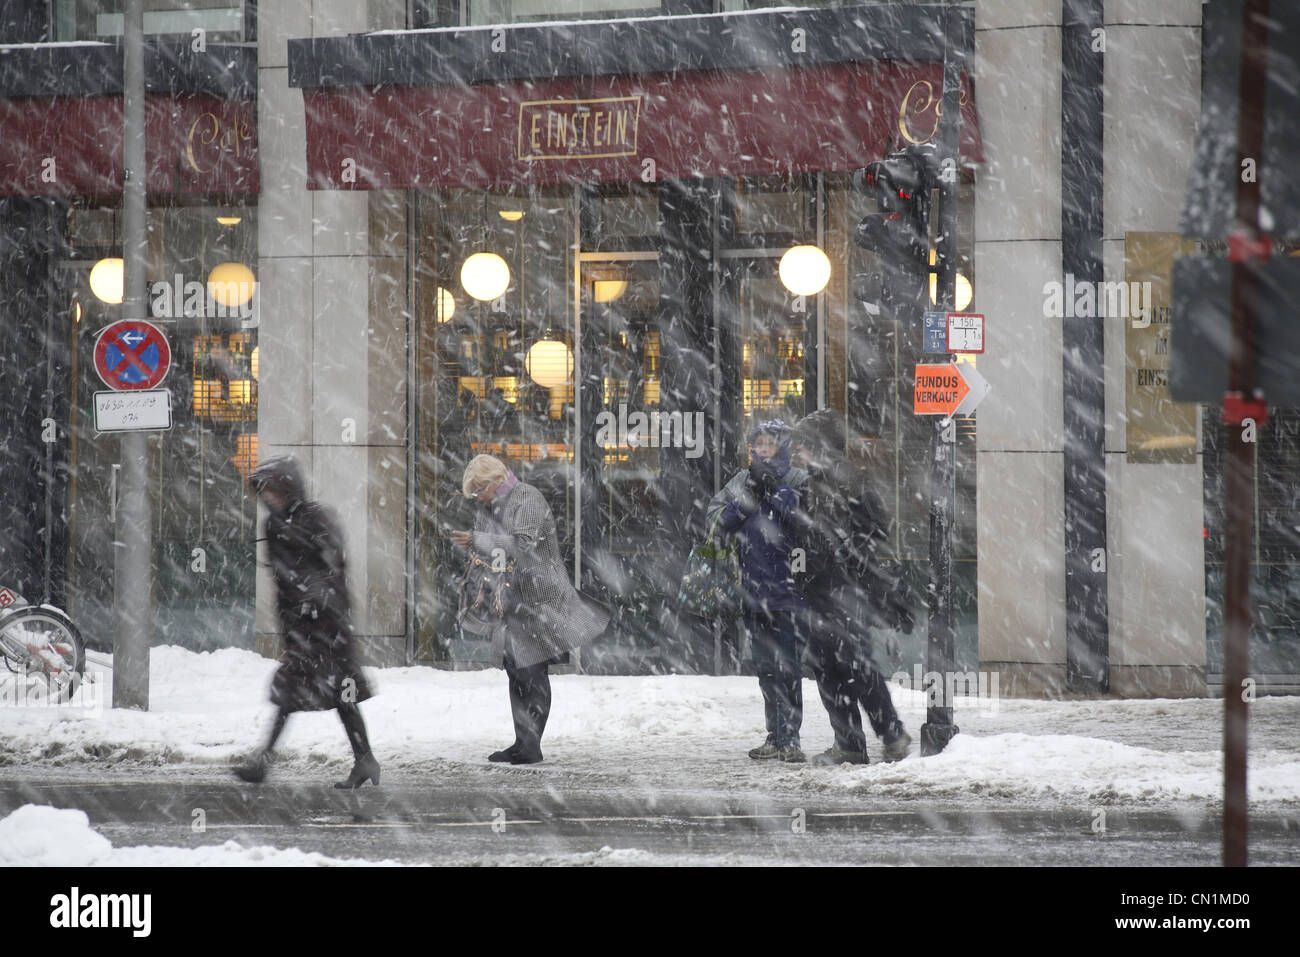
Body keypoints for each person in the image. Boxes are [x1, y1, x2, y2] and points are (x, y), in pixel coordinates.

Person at [449, 454, 609, 765]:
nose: (476, 498)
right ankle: (521, 741)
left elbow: (522, 545)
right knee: (514, 669)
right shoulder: (490, 506)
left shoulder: (527, 497)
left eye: (478, 490)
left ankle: (532, 745)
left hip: (539, 599)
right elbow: (493, 551)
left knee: (532, 669)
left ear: (492, 481)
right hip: (509, 598)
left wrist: (477, 540)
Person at [233, 456, 380, 788]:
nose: (267, 496)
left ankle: (264, 763)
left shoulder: (316, 517)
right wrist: (292, 613)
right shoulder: (272, 525)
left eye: (272, 489)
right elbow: (280, 577)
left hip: (325, 625)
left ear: (287, 486)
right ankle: (365, 760)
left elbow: (332, 567)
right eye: (263, 491)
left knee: (325, 692)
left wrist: (316, 602)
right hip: (299, 625)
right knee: (318, 693)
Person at [792, 408, 914, 766]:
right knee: (829, 669)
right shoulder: (810, 483)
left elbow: (876, 532)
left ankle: (889, 734)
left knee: (855, 667)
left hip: (845, 592)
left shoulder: (849, 481)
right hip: (819, 591)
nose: (798, 451)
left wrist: (846, 547)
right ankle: (851, 743)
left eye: (803, 444)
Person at [706, 420, 809, 763]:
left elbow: (805, 525)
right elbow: (716, 522)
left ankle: (791, 737)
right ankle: (774, 735)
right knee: (765, 668)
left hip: (790, 594)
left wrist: (778, 493)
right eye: (759, 443)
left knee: (789, 667)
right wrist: (747, 498)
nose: (764, 449)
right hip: (753, 593)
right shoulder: (741, 480)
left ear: (782, 446)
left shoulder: (797, 479)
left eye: (770, 443)